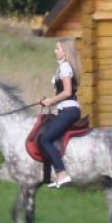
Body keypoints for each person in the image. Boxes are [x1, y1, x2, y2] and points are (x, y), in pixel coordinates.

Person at [38, 37, 82, 189]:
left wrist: (51, 101)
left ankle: (62, 173)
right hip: (66, 109)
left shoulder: (65, 67)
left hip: (69, 110)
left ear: (65, 51)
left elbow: (67, 92)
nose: (55, 51)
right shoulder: (63, 67)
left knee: (45, 140)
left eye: (58, 48)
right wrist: (49, 102)